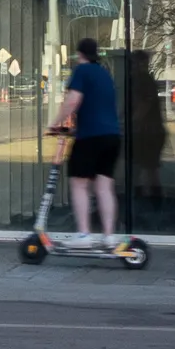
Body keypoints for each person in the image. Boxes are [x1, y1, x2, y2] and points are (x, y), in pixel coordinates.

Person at [47, 37, 122, 244]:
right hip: (112, 137)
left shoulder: (82, 71)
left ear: (80, 54)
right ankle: (108, 236)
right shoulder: (105, 74)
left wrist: (55, 123)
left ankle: (84, 234)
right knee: (104, 187)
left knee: (79, 184)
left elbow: (73, 100)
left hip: (90, 137)